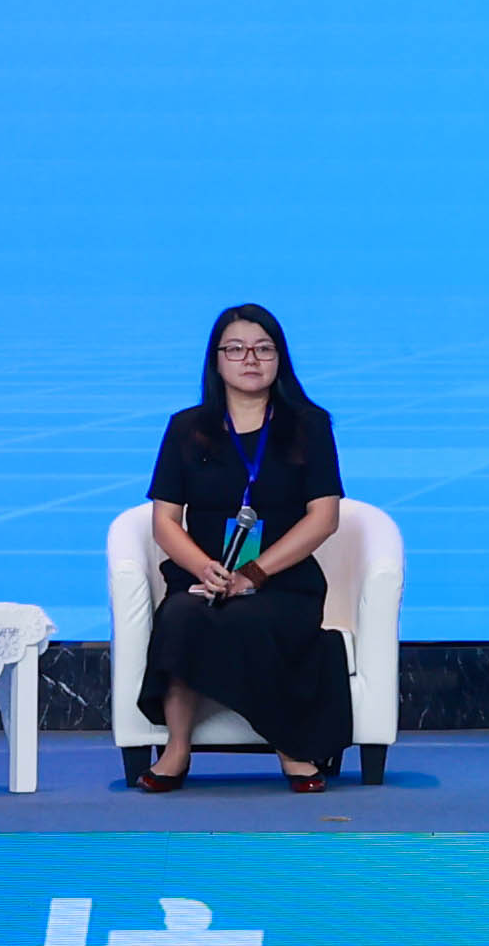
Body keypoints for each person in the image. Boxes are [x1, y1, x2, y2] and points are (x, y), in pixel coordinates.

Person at [135, 303, 353, 791]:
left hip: (282, 581)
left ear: (280, 358)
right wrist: (205, 570)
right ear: (216, 360)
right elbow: (165, 522)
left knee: (251, 618)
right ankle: (176, 750)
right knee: (182, 616)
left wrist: (253, 574)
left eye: (263, 349)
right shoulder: (186, 428)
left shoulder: (309, 425)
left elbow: (324, 517)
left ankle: (292, 747)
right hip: (204, 577)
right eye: (235, 349)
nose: (250, 359)